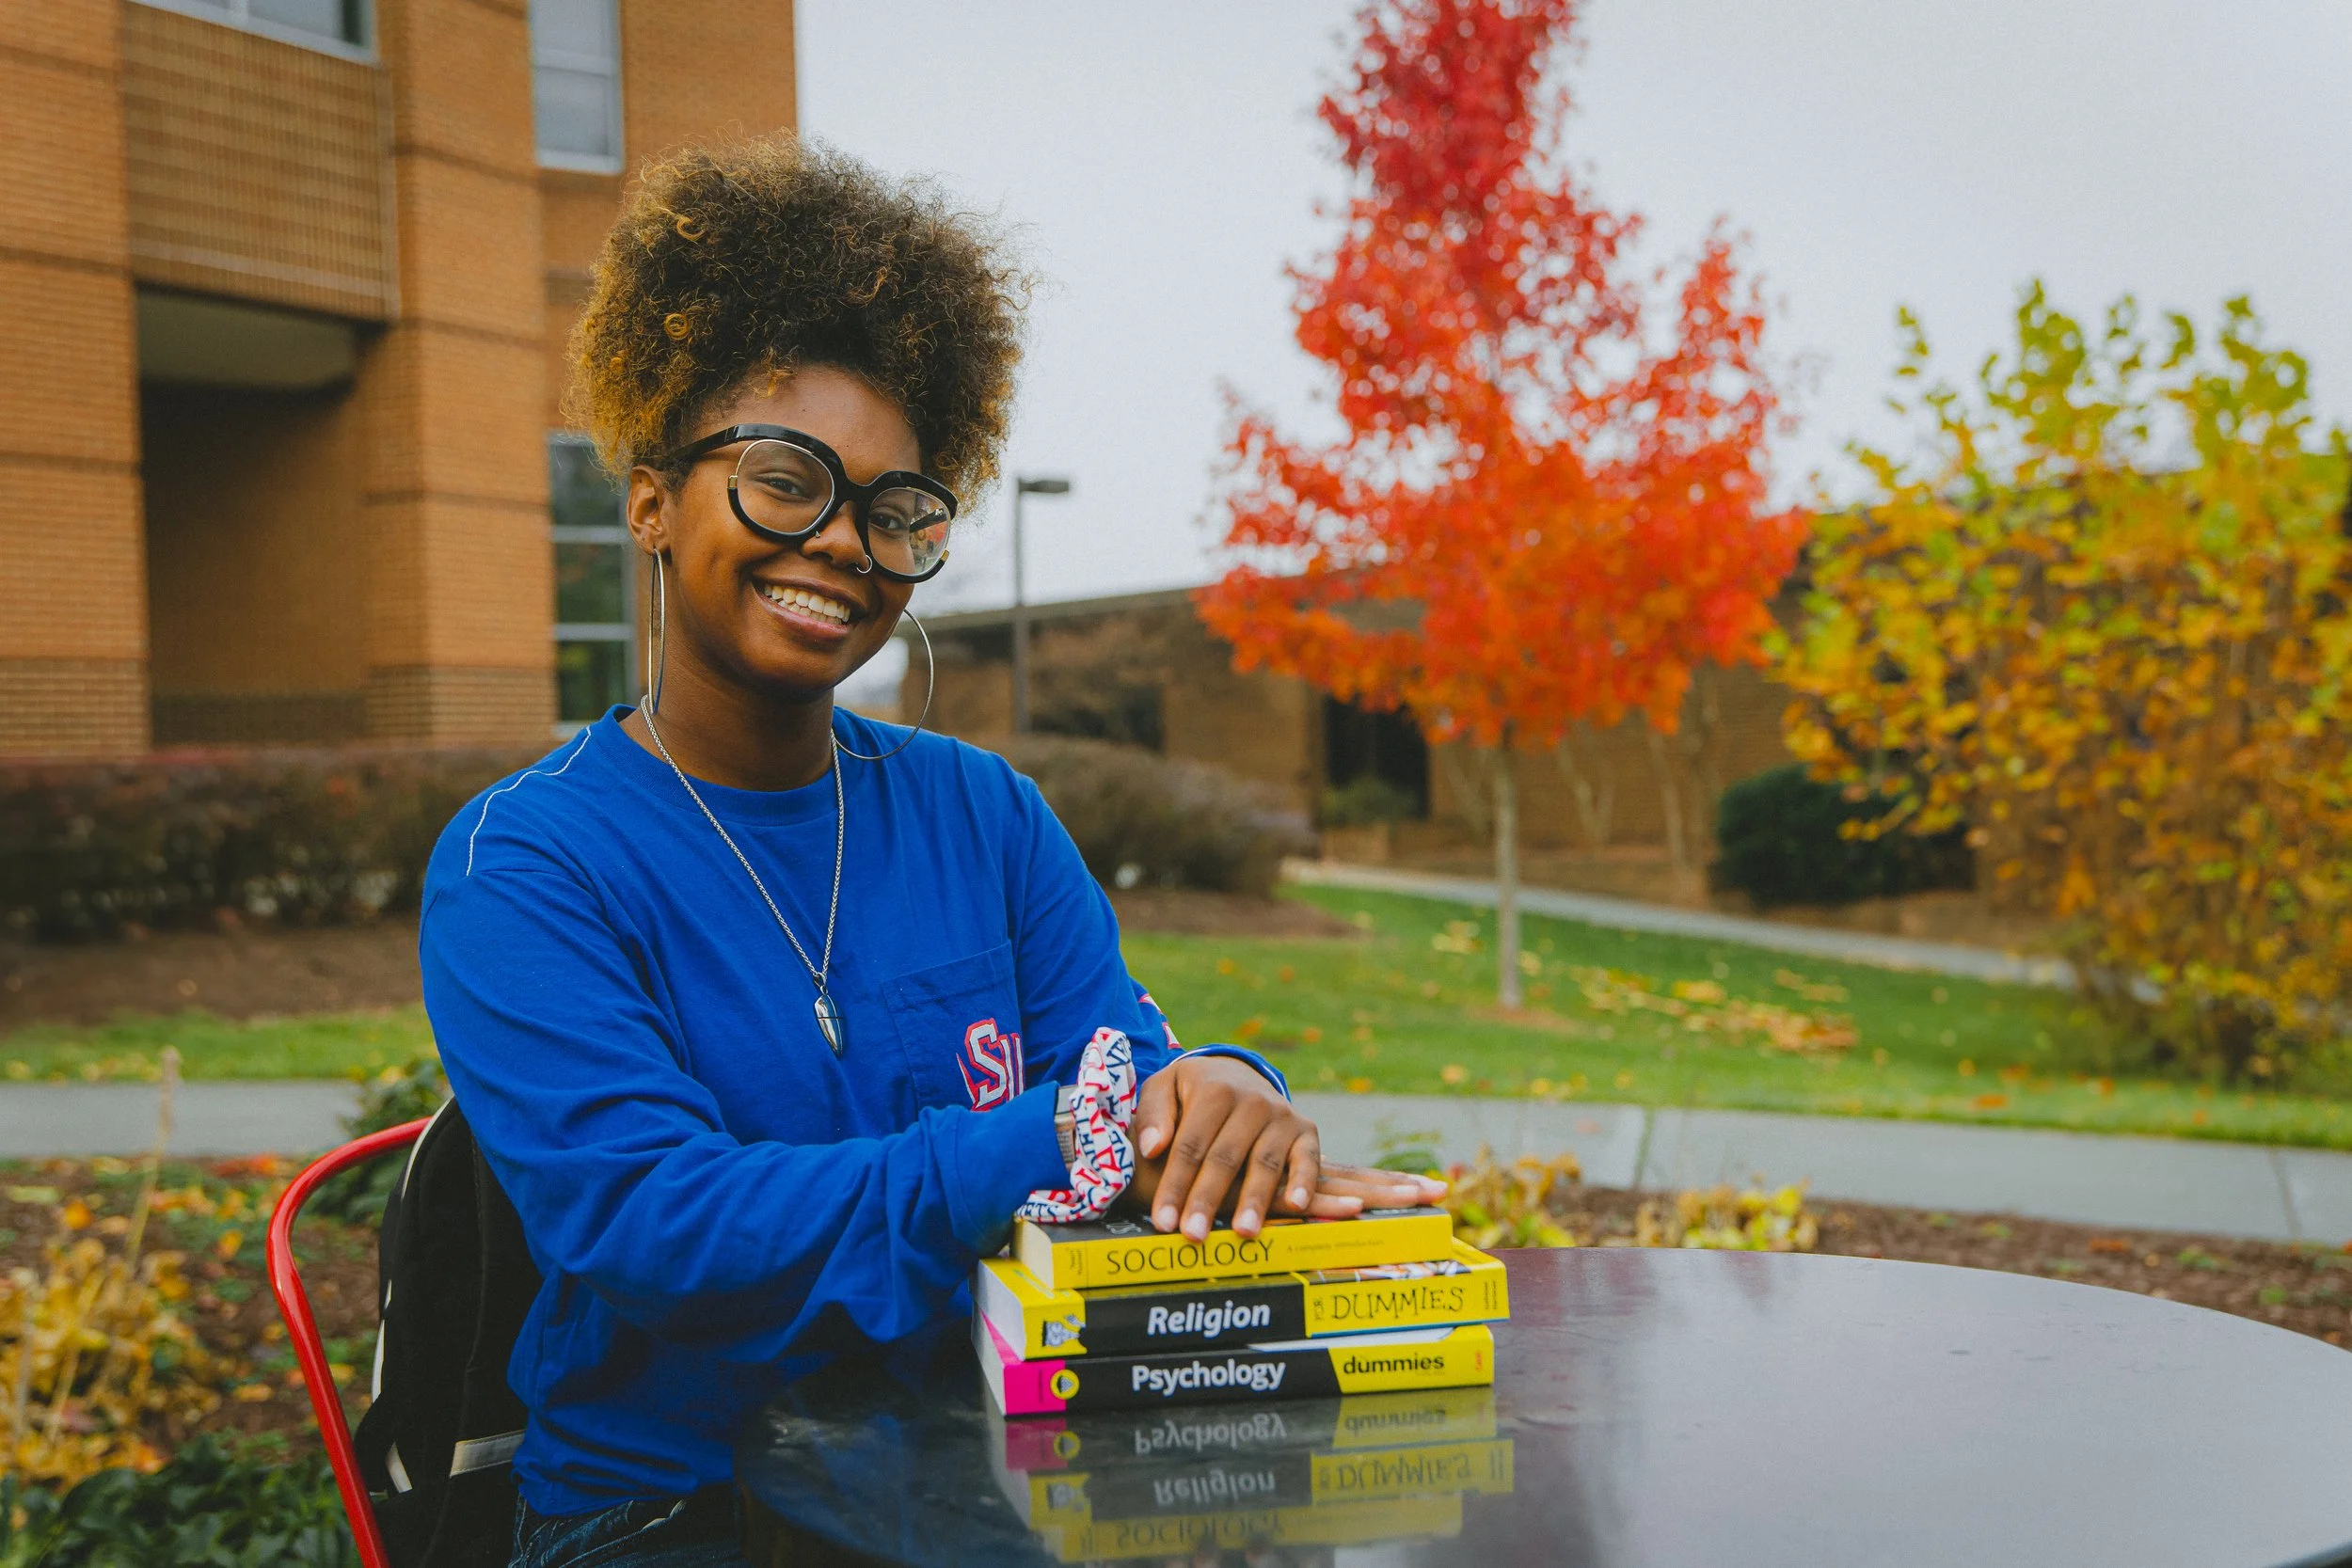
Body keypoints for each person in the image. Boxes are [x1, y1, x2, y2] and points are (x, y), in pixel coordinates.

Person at [419, 137, 1443, 1568]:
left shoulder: (984, 813)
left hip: (989, 1471)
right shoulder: (528, 863)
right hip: (667, 1512)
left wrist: (1217, 1097)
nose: (845, 542)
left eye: (898, 510)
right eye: (786, 479)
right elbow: (659, 1227)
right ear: (651, 497)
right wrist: (1049, 1146)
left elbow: (1124, 1091)